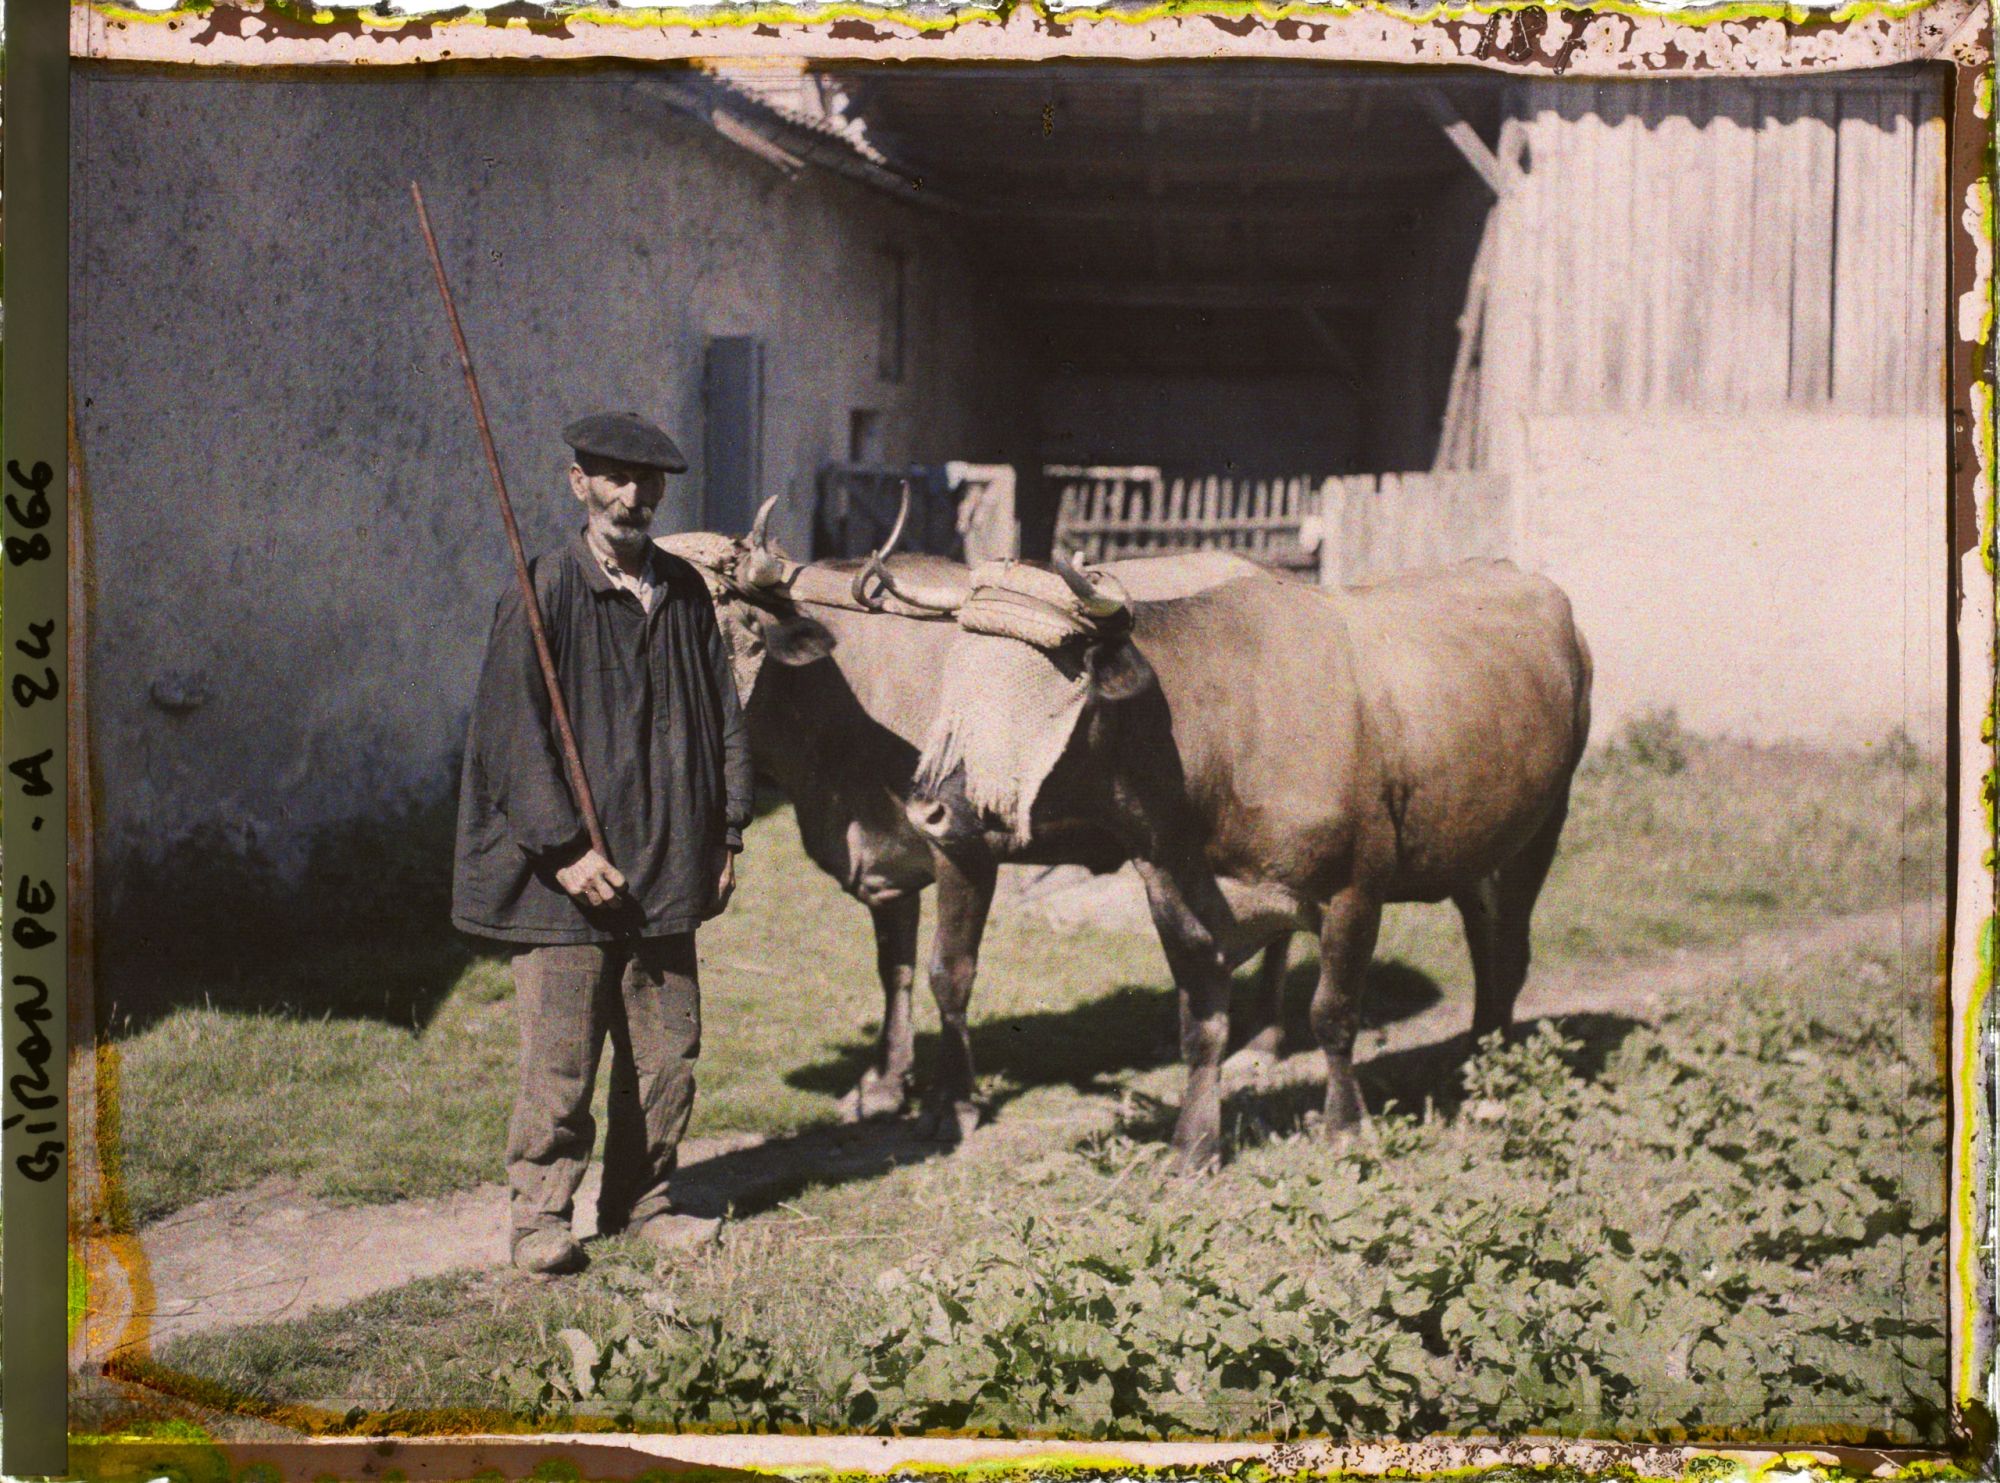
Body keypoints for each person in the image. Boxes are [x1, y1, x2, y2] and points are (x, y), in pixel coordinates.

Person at [451, 410, 753, 1277]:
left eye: (647, 481)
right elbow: (510, 736)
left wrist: (729, 828)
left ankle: (644, 1202)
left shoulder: (687, 593)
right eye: (613, 477)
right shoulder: (544, 588)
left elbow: (724, 718)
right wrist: (564, 849)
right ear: (578, 483)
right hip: (567, 882)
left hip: (665, 863)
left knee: (666, 1057)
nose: (632, 496)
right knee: (561, 1060)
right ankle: (540, 1219)